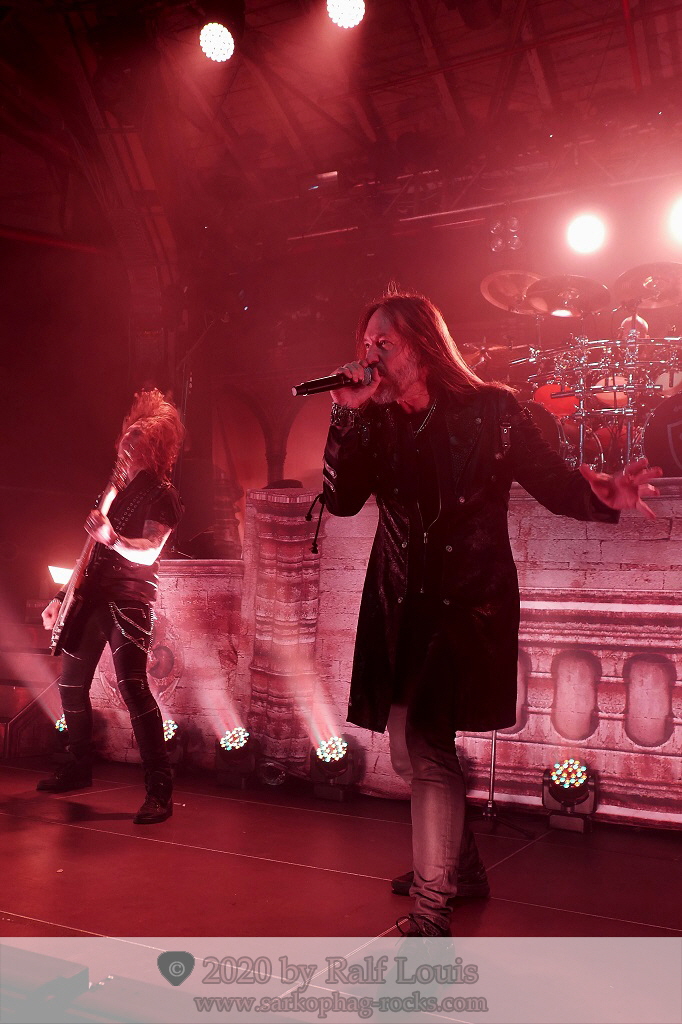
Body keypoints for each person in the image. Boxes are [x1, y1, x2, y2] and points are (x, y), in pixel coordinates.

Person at [321, 290, 661, 936]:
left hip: (465, 605)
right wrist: (345, 415)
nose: (369, 356)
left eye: (383, 344)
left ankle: (432, 908)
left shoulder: (493, 411)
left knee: (427, 745)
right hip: (400, 603)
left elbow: (553, 484)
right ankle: (464, 868)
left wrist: (605, 498)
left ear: (422, 344)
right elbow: (340, 502)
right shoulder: (377, 422)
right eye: (365, 345)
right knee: (408, 751)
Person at [38, 390, 185, 825]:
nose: (128, 438)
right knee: (70, 685)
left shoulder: (162, 493)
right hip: (91, 598)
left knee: (133, 687)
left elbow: (150, 549)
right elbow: (87, 552)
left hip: (129, 601)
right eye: (128, 431)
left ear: (153, 447)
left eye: (139, 435)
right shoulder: (111, 492)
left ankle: (160, 790)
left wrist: (113, 538)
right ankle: (78, 765)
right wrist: (61, 597)